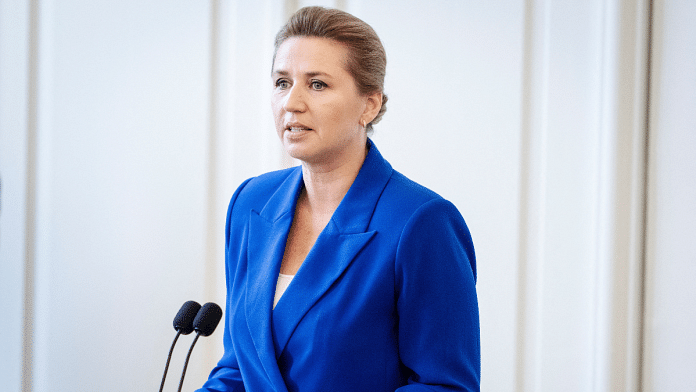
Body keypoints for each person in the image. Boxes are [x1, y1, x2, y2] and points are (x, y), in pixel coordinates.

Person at [196, 6, 479, 392]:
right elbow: (237, 370)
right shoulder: (250, 202)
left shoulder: (423, 222)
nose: (291, 103)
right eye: (282, 82)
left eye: (317, 84)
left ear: (370, 104)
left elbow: (445, 386)